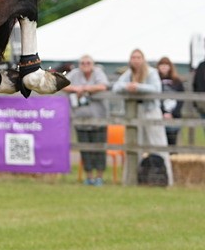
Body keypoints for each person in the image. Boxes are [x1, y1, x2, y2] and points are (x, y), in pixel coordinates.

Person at [112, 49, 172, 185]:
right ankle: (130, 180)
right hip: (134, 113)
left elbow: (156, 89)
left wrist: (137, 87)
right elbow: (116, 87)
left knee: (158, 145)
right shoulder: (128, 73)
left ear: (143, 59)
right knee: (133, 146)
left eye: (138, 57)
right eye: (133, 57)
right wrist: (128, 86)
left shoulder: (151, 72)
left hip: (151, 112)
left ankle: (167, 180)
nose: (136, 60)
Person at [65, 55, 110, 186]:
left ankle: (99, 177)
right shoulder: (74, 74)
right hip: (81, 119)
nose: (85, 65)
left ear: (93, 64)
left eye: (88, 63)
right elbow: (62, 85)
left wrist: (84, 89)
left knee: (99, 148)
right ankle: (89, 177)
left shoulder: (98, 73)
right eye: (83, 63)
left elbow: (103, 86)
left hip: (99, 118)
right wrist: (75, 89)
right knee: (85, 150)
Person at [156, 56, 184, 146]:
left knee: (172, 142)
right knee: (159, 141)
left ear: (170, 67)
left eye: (166, 65)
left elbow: (181, 98)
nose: (164, 67)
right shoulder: (155, 80)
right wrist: (162, 112)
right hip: (159, 115)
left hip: (174, 115)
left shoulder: (177, 81)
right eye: (162, 65)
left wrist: (173, 113)